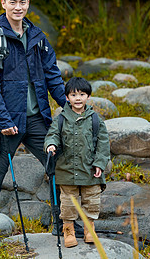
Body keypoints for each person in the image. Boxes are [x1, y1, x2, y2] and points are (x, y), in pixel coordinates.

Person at [0, 0, 66, 238]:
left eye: (22, 2)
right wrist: (3, 120)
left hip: (37, 119)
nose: (18, 7)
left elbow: (52, 75)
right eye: (13, 2)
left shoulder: (38, 38)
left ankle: (62, 223)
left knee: (57, 165)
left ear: (28, 3)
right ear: (3, 3)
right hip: (6, 123)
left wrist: (68, 105)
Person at [44, 77, 110, 247]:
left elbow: (103, 145)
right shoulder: (61, 119)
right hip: (67, 170)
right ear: (67, 98)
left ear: (88, 96)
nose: (78, 98)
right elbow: (53, 134)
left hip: (90, 170)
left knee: (92, 201)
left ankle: (89, 230)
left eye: (82, 94)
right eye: (73, 95)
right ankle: (68, 231)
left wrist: (99, 164)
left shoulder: (95, 119)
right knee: (68, 203)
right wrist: (51, 144)